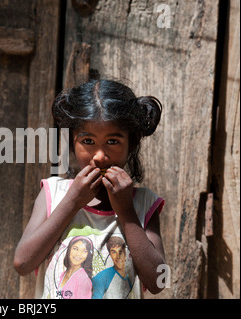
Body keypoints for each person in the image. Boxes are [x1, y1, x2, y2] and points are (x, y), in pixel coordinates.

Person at [13, 79, 166, 299]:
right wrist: (72, 201)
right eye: (88, 140)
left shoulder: (143, 204)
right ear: (72, 142)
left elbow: (158, 281)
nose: (100, 156)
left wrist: (125, 211)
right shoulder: (54, 193)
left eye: (113, 141)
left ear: (131, 143)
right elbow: (22, 263)